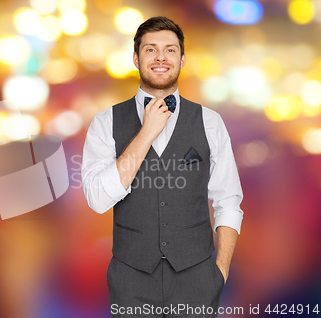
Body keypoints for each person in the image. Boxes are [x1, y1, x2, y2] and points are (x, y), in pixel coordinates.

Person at [81, 16, 244, 317]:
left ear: (182, 59)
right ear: (135, 58)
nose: (160, 57)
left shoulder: (210, 122)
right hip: (130, 281)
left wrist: (219, 272)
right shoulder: (105, 123)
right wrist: (145, 133)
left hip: (196, 278)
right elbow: (98, 200)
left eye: (169, 50)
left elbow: (228, 200)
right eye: (150, 49)